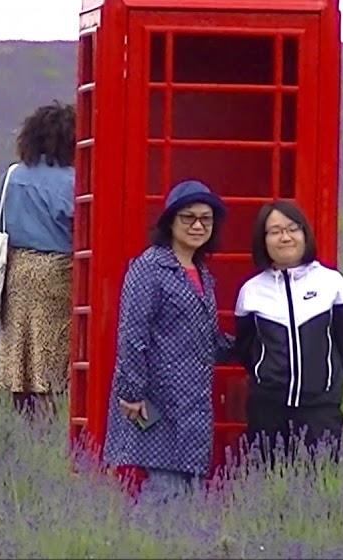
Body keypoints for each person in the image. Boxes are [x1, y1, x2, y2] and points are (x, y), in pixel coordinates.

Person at [101, 180, 234, 504]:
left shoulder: (200, 272)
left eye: (206, 218)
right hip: (155, 399)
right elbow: (133, 332)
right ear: (170, 221)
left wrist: (256, 344)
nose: (197, 225)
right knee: (164, 491)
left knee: (188, 489)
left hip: (194, 403)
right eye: (188, 217)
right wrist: (131, 392)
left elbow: (203, 337)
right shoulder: (150, 267)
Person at [231, 200, 343, 470]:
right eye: (275, 231)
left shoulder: (332, 283)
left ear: (304, 234)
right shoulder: (251, 291)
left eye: (292, 228)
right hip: (267, 411)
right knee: (266, 486)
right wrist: (266, 377)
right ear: (263, 240)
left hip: (320, 411)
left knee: (323, 487)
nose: (285, 237)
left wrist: (326, 385)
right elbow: (245, 349)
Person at [0, 101, 76, 418]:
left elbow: (3, 224)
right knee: (50, 365)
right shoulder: (74, 181)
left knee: (21, 360)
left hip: (18, 270)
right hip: (59, 273)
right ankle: (49, 427)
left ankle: (24, 427)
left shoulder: (13, 176)